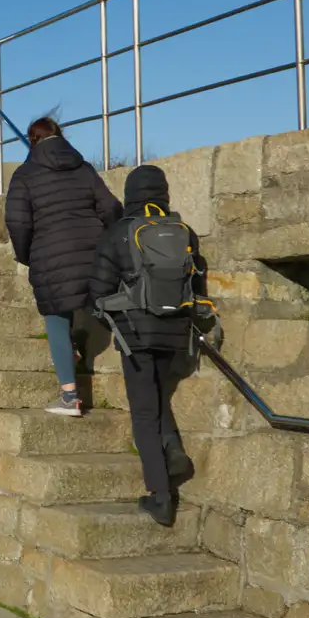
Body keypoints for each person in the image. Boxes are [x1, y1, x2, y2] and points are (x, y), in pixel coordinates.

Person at [87, 164, 205, 528]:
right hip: (176, 332)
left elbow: (100, 288)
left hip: (135, 334)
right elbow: (196, 283)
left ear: (131, 193)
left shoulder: (120, 232)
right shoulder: (184, 231)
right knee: (157, 395)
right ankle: (172, 450)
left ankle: (161, 496)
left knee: (142, 411)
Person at [4, 117, 121, 417]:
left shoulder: (25, 173)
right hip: (92, 252)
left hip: (50, 254)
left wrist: (25, 254)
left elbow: (18, 221)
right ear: (60, 136)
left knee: (56, 318)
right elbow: (109, 207)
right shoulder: (83, 168)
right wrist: (111, 241)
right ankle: (77, 349)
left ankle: (70, 397)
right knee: (84, 302)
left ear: (32, 140)